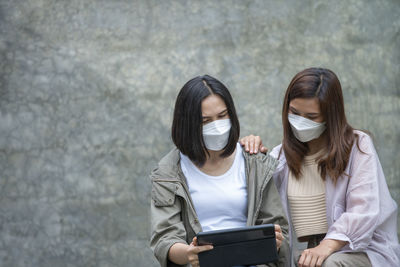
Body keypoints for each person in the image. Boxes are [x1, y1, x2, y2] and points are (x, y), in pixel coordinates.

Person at [240, 67, 400, 267]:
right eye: (294, 113)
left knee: (329, 264)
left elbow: (363, 210)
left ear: (330, 115)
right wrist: (251, 153)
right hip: (307, 253)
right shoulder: (280, 157)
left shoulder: (358, 146)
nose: (300, 122)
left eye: (311, 117)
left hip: (359, 250)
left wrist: (326, 246)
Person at [150, 75, 290, 267]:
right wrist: (190, 254)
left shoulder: (255, 164)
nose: (216, 126)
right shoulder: (168, 173)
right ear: (187, 124)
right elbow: (164, 238)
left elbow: (278, 227)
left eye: (222, 116)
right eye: (205, 121)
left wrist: (274, 241)